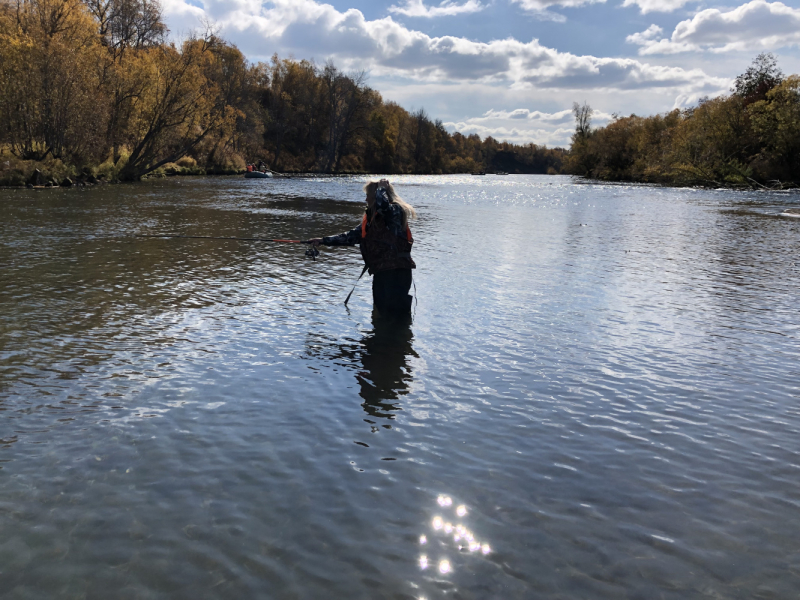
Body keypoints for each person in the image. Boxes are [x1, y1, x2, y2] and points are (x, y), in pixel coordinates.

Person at [309, 179, 417, 316]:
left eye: (368, 195)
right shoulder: (371, 220)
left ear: (378, 196)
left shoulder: (395, 212)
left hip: (397, 274)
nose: (366, 199)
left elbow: (383, 206)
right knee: (380, 314)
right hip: (381, 273)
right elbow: (350, 237)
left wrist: (381, 189)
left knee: (396, 316)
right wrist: (323, 241)